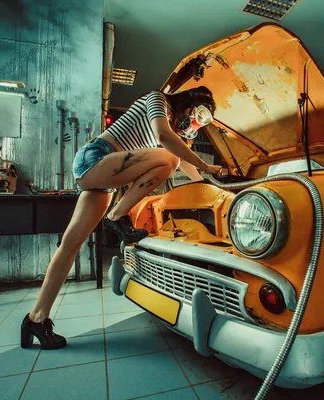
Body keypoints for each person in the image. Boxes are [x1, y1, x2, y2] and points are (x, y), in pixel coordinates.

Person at [20, 86, 222, 349]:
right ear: (189, 103)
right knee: (169, 156)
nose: (196, 123)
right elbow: (164, 138)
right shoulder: (157, 100)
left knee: (69, 246)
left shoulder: (176, 131)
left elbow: (186, 164)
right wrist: (206, 165)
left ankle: (36, 318)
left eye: (202, 122)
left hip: (104, 180)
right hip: (95, 158)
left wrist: (208, 182)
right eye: (198, 115)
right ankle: (117, 215)